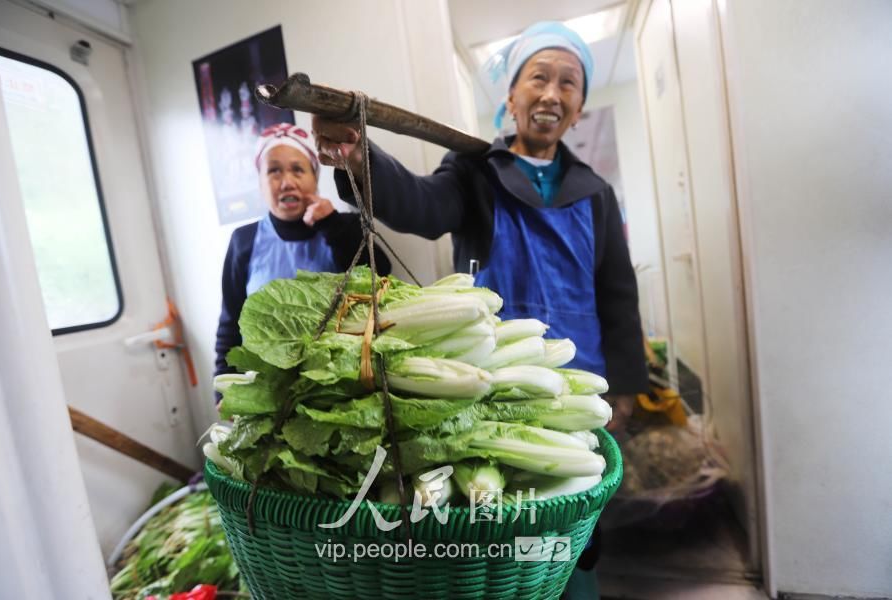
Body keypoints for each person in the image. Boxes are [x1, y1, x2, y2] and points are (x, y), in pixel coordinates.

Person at [312, 21, 648, 598]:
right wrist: (360, 157)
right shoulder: (476, 173)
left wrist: (626, 385)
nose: (551, 93)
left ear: (579, 108)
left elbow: (618, 294)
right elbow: (420, 205)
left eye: (568, 83)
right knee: (501, 531)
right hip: (495, 385)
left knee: (572, 529)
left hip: (573, 389)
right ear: (511, 96)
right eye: (537, 77)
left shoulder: (595, 192)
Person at [214, 123, 391, 377]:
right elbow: (230, 322)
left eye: (298, 170)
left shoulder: (344, 227)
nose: (286, 182)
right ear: (261, 182)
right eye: (274, 171)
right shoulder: (244, 241)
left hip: (338, 377)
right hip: (267, 382)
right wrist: (223, 386)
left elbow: (382, 275)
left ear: (315, 178)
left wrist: (332, 225)